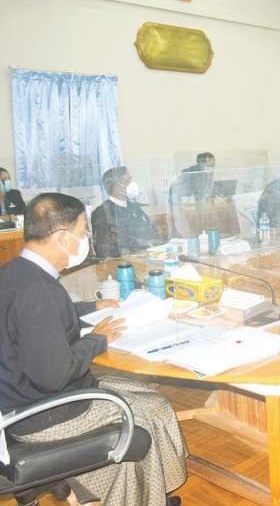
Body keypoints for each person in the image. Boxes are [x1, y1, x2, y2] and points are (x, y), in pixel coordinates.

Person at [0, 193, 187, 506]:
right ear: (61, 238)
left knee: (151, 399)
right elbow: (53, 376)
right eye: (82, 232)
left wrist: (90, 307)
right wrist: (97, 339)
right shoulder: (39, 291)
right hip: (44, 415)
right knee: (145, 414)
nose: (86, 238)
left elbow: (35, 321)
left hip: (21, 398)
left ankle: (150, 495)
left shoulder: (15, 272)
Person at [91, 167, 160, 258]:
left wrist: (157, 248)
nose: (133, 184)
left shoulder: (135, 208)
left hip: (147, 258)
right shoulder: (102, 213)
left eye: (131, 180)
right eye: (127, 181)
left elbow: (153, 232)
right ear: (115, 186)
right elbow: (104, 252)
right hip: (123, 263)